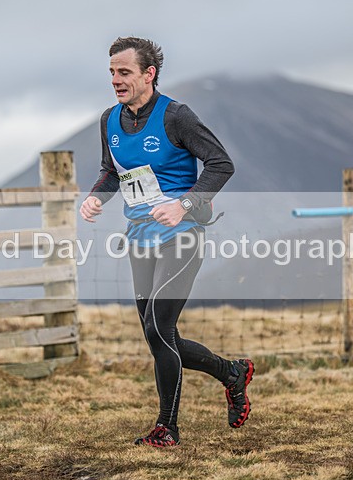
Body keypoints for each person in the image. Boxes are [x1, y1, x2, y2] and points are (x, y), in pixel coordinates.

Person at [79, 36, 254, 447]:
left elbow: (220, 163)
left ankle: (167, 428)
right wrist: (94, 196)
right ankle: (231, 372)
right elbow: (111, 172)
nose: (116, 80)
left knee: (159, 327)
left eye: (124, 72)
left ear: (149, 74)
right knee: (158, 334)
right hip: (140, 238)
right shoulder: (109, 120)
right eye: (112, 73)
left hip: (182, 234)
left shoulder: (176, 116)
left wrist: (184, 205)